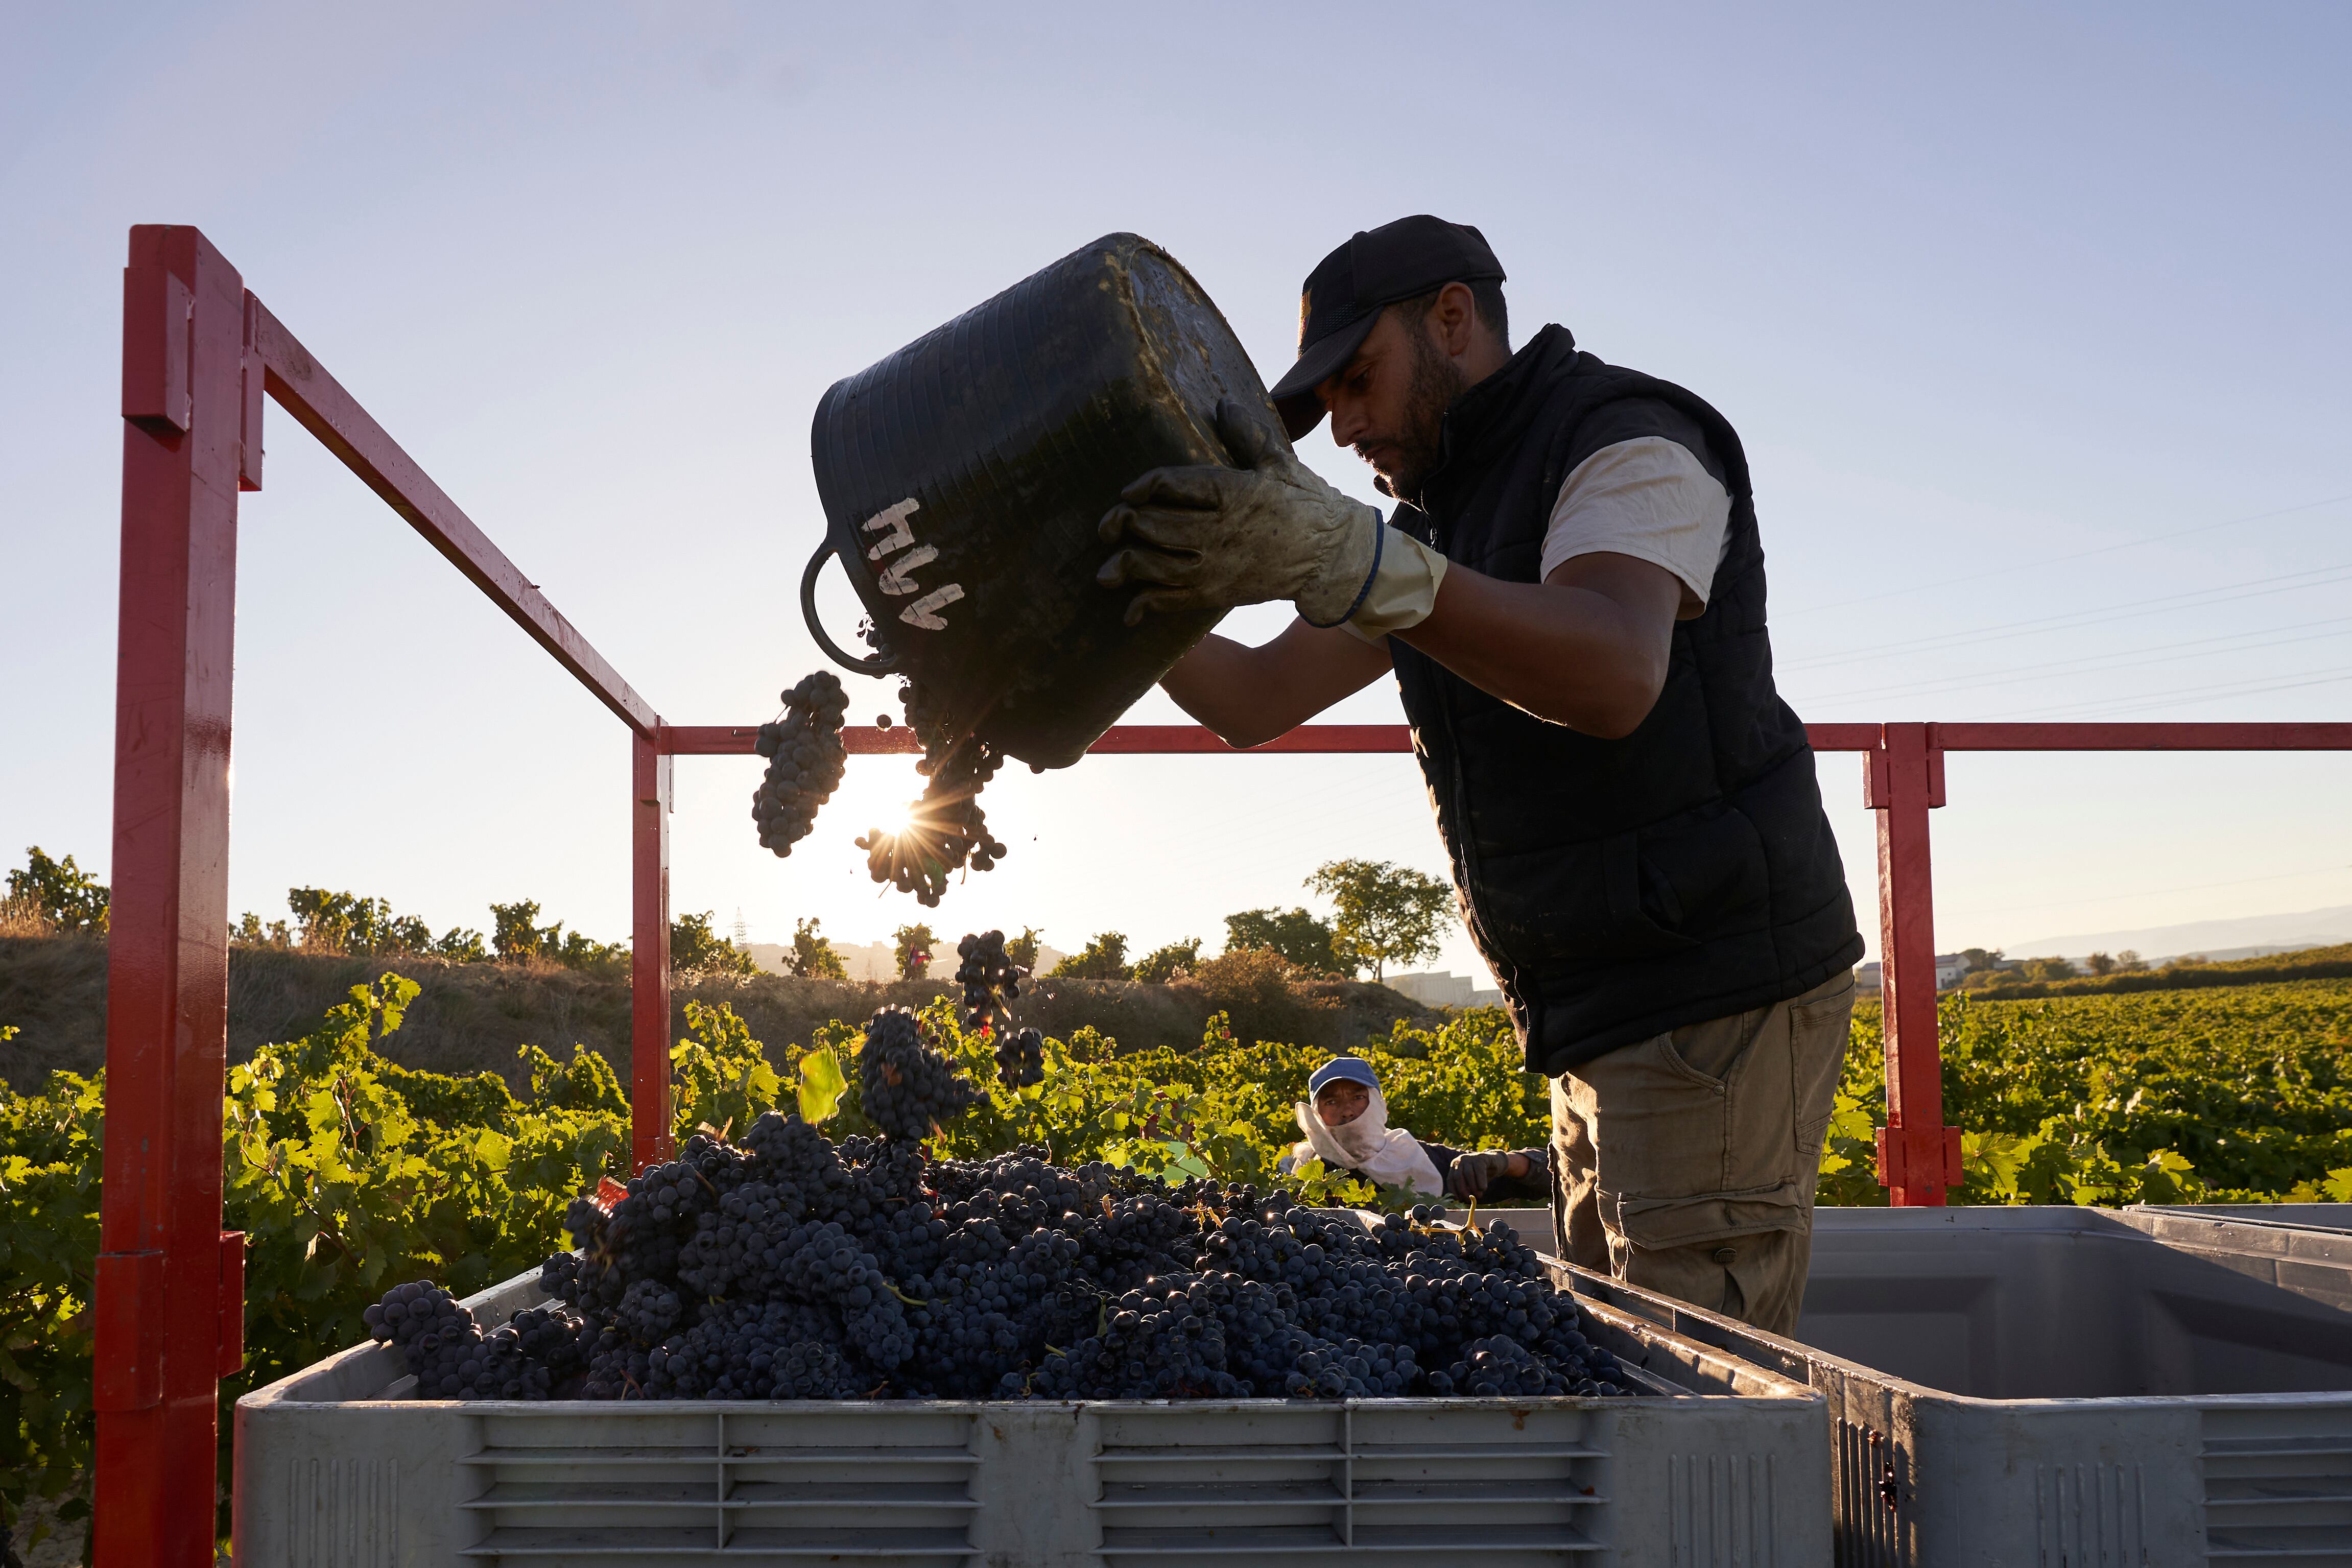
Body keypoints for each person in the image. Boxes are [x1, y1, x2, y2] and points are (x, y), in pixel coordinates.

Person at [1098, 216, 1863, 1336]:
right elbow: (1252, 699)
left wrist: (1359, 563)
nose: (1345, 425)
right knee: (1616, 1354)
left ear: (1452, 318)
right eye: (1326, 405)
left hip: (1711, 1000)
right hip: (1599, 1009)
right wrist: (1109, 598)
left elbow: (1612, 670)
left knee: (1694, 1406)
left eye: (1360, 380)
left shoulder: (1624, 439)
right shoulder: (1438, 522)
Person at [1279, 1055, 1549, 1204]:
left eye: (1358, 1097)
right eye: (1331, 1102)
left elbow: (1555, 1176)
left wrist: (1503, 1161)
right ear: (1316, 1116)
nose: (1347, 1111)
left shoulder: (1422, 1160)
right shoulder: (1298, 1172)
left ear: (1379, 1104)